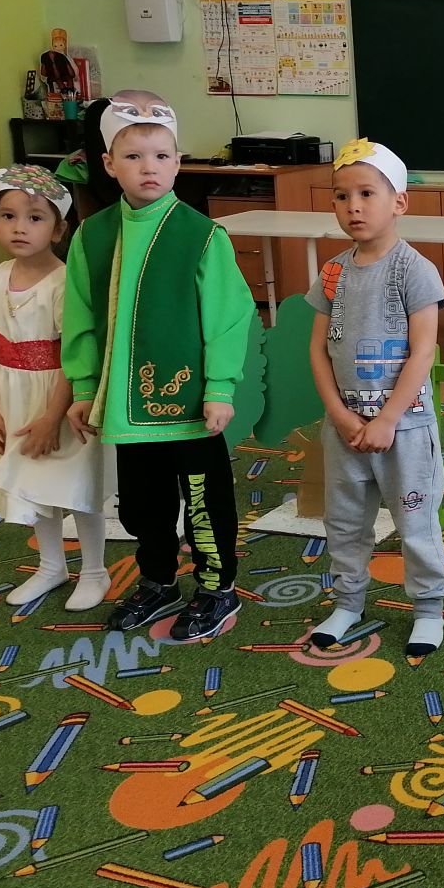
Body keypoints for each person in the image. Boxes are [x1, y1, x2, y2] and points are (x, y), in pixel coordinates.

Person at [62, 91, 256, 642]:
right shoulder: (93, 235)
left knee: (203, 500)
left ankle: (217, 587)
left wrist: (220, 388)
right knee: (143, 504)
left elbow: (228, 318)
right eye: (134, 156)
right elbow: (79, 316)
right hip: (127, 407)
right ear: (109, 164)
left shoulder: (201, 235)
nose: (149, 167)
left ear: (177, 162)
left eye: (162, 156)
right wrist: (84, 386)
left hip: (189, 403)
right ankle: (158, 582)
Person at [305, 137, 444, 658]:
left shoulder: (415, 270)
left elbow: (423, 351)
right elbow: (318, 350)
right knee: (344, 521)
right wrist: (339, 415)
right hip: (344, 429)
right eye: (342, 196)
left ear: (399, 202)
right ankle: (348, 601)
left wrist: (387, 418)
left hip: (403, 429)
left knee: (415, 521)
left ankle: (428, 608)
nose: (354, 207)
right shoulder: (333, 271)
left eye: (367, 193)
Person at [0, 165, 109, 610]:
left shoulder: (65, 283)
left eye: (34, 218)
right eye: (8, 216)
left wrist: (51, 417)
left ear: (58, 228)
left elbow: (72, 356)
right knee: (31, 483)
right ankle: (51, 566)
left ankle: (95, 570)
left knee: (74, 484)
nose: (19, 228)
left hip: (58, 399)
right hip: (12, 397)